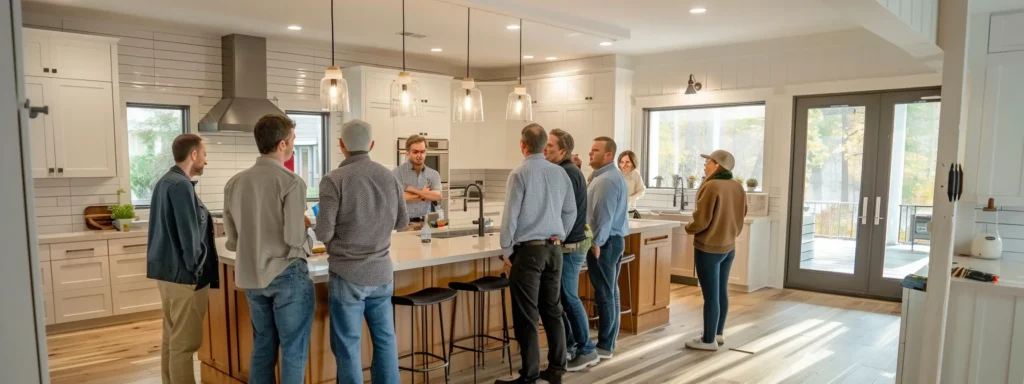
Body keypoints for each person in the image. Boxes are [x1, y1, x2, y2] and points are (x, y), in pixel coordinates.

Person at [223, 115, 316, 384]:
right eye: (294, 140)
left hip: (251, 276)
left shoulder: (234, 183)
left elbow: (232, 240)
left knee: (263, 346)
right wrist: (306, 230)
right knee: (293, 348)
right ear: (283, 143)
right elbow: (294, 238)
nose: (294, 145)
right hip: (286, 273)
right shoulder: (291, 182)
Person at [315, 119, 407, 384]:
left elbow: (323, 233)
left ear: (341, 145)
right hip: (382, 272)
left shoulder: (333, 180)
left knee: (348, 347)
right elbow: (402, 222)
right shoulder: (389, 176)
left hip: (348, 274)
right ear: (372, 145)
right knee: (386, 342)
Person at [497, 124, 577, 384]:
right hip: (554, 251)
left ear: (522, 145)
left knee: (527, 315)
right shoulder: (560, 173)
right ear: (544, 146)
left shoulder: (519, 174)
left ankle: (529, 375)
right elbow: (571, 212)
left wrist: (507, 251)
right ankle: (556, 370)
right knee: (552, 311)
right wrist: (559, 236)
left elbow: (510, 216)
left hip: (529, 253)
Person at [146, 133, 211, 384]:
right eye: (204, 155)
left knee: (172, 340)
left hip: (167, 274)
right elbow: (189, 235)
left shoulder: (165, 181)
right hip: (185, 277)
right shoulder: (181, 185)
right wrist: (196, 268)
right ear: (193, 155)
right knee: (185, 345)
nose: (206, 161)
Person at [542, 129, 598, 371]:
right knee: (562, 300)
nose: (545, 150)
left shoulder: (565, 172)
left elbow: (561, 212)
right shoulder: (569, 171)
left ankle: (587, 349)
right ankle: (574, 345)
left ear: (563, 152)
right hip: (570, 244)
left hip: (569, 247)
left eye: (550, 147)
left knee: (568, 298)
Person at [684, 150, 747, 351]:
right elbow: (743, 213)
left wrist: (688, 228)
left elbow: (701, 220)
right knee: (721, 292)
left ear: (718, 165)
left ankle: (707, 340)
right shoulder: (738, 186)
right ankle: (718, 334)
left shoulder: (711, 186)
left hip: (708, 248)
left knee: (710, 296)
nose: (705, 164)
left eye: (708, 161)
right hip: (728, 247)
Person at [585, 136, 629, 360]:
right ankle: (608, 342)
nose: (590, 153)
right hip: (612, 240)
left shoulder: (606, 181)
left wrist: (597, 243)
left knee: (605, 294)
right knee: (610, 291)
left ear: (609, 155)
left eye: (595, 150)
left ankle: (604, 345)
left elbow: (604, 216)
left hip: (606, 242)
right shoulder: (606, 176)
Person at [392, 135, 442, 231]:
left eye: (422, 152)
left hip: (426, 224)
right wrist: (425, 195)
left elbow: (437, 195)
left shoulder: (433, 174)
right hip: (404, 225)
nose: (419, 155)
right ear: (408, 152)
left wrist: (412, 190)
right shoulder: (397, 173)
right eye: (415, 152)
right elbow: (398, 197)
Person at [618, 150, 646, 217]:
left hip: (630, 210)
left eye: (627, 162)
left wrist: (630, 199)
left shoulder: (636, 174)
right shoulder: (616, 175)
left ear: (633, 163)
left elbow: (641, 191)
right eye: (622, 162)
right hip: (617, 211)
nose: (624, 165)